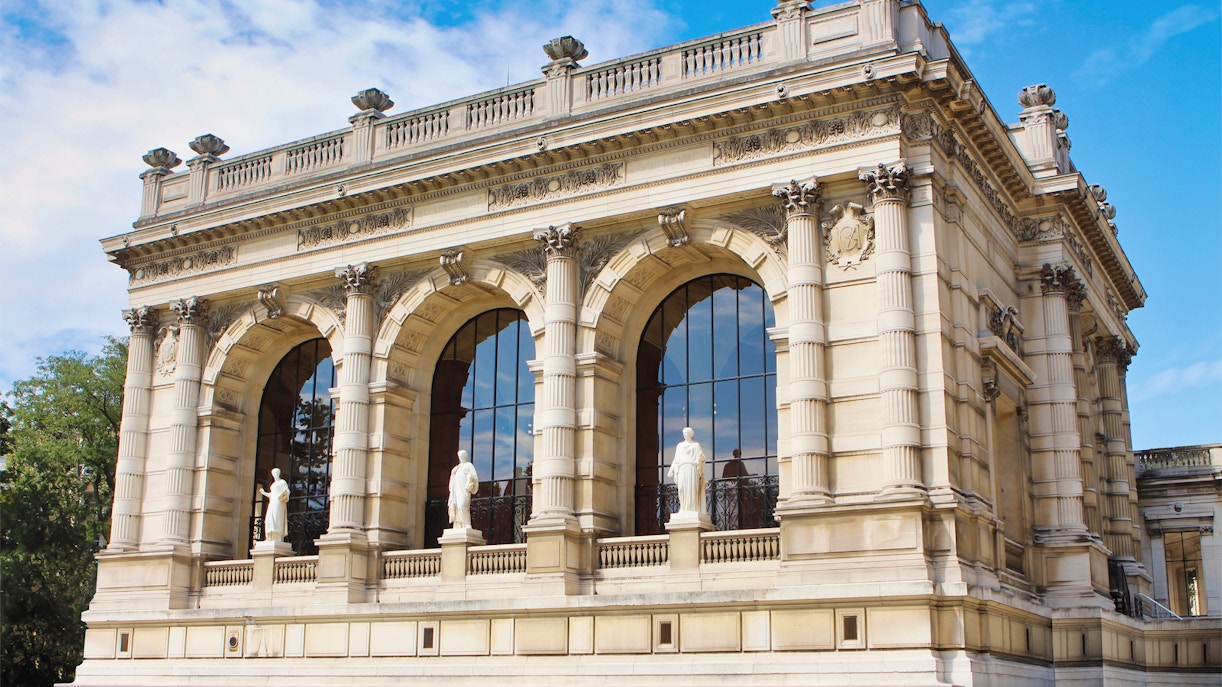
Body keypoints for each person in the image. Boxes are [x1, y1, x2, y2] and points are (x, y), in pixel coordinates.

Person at [668, 427, 707, 515]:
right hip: (682, 468)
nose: (685, 434)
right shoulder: (680, 445)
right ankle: (683, 508)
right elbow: (676, 459)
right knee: (681, 488)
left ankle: (692, 508)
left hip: (691, 468)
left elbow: (702, 457)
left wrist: (701, 457)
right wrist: (671, 470)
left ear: (691, 434)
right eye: (684, 433)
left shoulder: (696, 445)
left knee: (692, 488)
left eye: (687, 433)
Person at [448, 450, 479, 529]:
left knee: (462, 505)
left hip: (464, 490)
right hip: (456, 490)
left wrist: (470, 480)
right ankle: (459, 524)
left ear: (465, 456)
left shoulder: (469, 465)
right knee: (457, 506)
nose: (460, 457)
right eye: (459, 456)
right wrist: (453, 473)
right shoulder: (457, 468)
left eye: (462, 456)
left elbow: (474, 477)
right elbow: (452, 481)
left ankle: (467, 523)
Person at [259, 467, 290, 543]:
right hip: (272, 502)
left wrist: (281, 495)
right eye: (274, 473)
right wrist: (264, 493)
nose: (275, 475)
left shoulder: (282, 482)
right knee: (269, 519)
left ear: (279, 474)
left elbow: (287, 491)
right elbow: (272, 495)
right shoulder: (274, 484)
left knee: (276, 518)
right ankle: (270, 536)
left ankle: (277, 537)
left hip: (279, 502)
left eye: (276, 473)